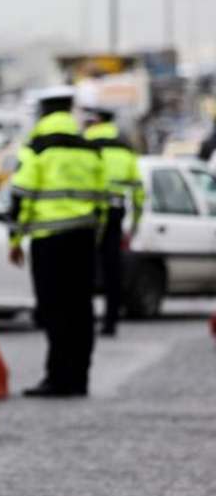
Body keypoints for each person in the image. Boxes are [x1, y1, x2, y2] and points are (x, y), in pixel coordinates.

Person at [8, 87, 106, 396]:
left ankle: (58, 377)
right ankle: (80, 377)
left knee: (54, 309)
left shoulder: (37, 147)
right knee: (81, 309)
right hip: (84, 240)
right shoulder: (89, 148)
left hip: (48, 241)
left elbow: (21, 194)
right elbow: (103, 200)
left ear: (44, 112)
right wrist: (96, 237)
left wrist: (15, 238)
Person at [82, 106, 142, 337]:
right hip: (116, 213)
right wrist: (135, 222)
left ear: (95, 121)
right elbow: (138, 189)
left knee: (86, 267)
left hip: (90, 214)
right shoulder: (125, 150)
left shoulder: (86, 144)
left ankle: (85, 319)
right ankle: (110, 321)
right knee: (112, 269)